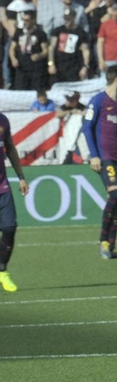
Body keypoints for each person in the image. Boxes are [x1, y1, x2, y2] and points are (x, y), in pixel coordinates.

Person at [83, 65, 117, 259]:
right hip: (105, 158)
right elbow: (87, 128)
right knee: (115, 193)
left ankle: (111, 248)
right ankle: (103, 241)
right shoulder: (97, 101)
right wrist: (94, 155)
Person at [0, 111, 29, 292]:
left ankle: (2, 271)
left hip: (2, 186)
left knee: (9, 228)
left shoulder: (3, 119)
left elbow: (10, 148)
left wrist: (21, 177)